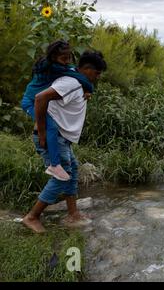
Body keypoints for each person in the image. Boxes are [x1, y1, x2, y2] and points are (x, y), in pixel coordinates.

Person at [22, 50, 107, 233]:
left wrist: (86, 92)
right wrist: (43, 131)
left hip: (62, 137)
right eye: (97, 73)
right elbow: (40, 98)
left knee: (72, 169)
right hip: (53, 136)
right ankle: (32, 217)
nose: (98, 77)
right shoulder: (71, 83)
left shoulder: (77, 83)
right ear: (86, 69)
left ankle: (73, 213)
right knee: (62, 175)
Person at [21, 40, 94, 181]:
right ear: (53, 57)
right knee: (51, 127)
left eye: (69, 58)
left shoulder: (59, 66)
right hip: (30, 102)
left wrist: (86, 89)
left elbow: (74, 73)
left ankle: (55, 165)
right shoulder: (50, 67)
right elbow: (78, 76)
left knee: (52, 126)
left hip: (36, 100)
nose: (67, 62)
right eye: (63, 59)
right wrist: (42, 134)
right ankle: (54, 165)